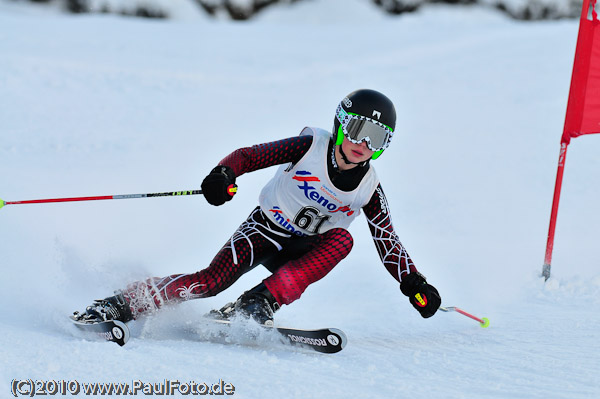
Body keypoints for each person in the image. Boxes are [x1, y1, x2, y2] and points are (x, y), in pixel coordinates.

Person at [81, 89, 441, 327]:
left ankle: (258, 303)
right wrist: (223, 174)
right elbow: (250, 156)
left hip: (305, 252)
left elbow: (387, 240)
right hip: (265, 230)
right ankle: (121, 303)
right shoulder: (309, 146)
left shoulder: (369, 188)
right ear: (342, 123)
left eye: (376, 137)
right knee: (210, 282)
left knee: (343, 240)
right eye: (359, 129)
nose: (364, 143)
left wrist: (413, 282)